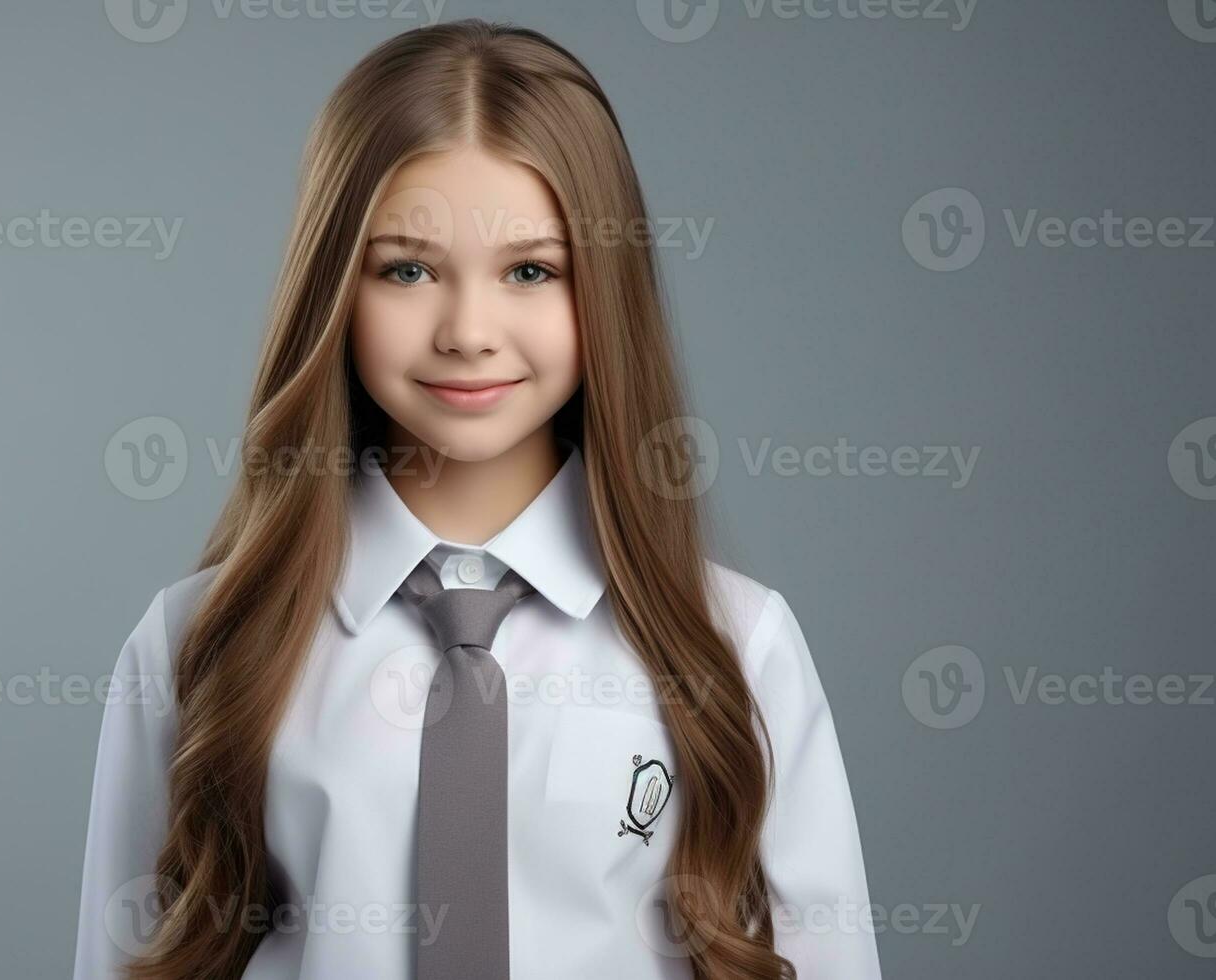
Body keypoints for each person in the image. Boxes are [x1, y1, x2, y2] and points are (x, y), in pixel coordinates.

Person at [74, 18, 880, 980]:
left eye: (531, 271)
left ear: (603, 290)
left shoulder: (739, 647)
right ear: (335, 285)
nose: (468, 330)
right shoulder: (194, 644)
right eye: (407, 269)